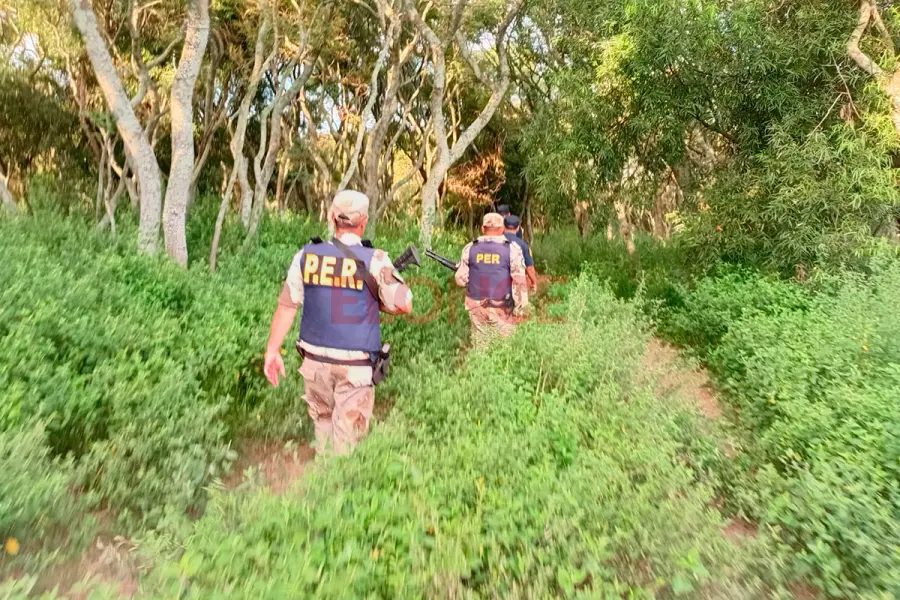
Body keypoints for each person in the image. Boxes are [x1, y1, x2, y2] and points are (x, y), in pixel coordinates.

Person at [263, 190, 413, 456]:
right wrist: (378, 300)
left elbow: (287, 304)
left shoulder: (307, 255)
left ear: (332, 217)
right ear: (364, 222)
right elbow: (404, 303)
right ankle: (338, 479)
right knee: (347, 443)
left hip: (315, 363)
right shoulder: (375, 259)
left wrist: (272, 350)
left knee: (323, 426)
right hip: (355, 367)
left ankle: (323, 472)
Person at [455, 213, 528, 349]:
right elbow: (519, 282)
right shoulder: (512, 249)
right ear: (502, 229)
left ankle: (479, 361)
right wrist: (520, 309)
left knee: (480, 347)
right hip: (502, 307)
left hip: (477, 306)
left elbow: (460, 280)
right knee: (505, 348)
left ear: (482, 228)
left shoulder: (470, 248)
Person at [503, 215, 538, 293]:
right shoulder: (523, 245)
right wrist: (534, 282)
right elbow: (529, 267)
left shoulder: (496, 241)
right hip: (516, 285)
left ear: (504, 227)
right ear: (518, 228)